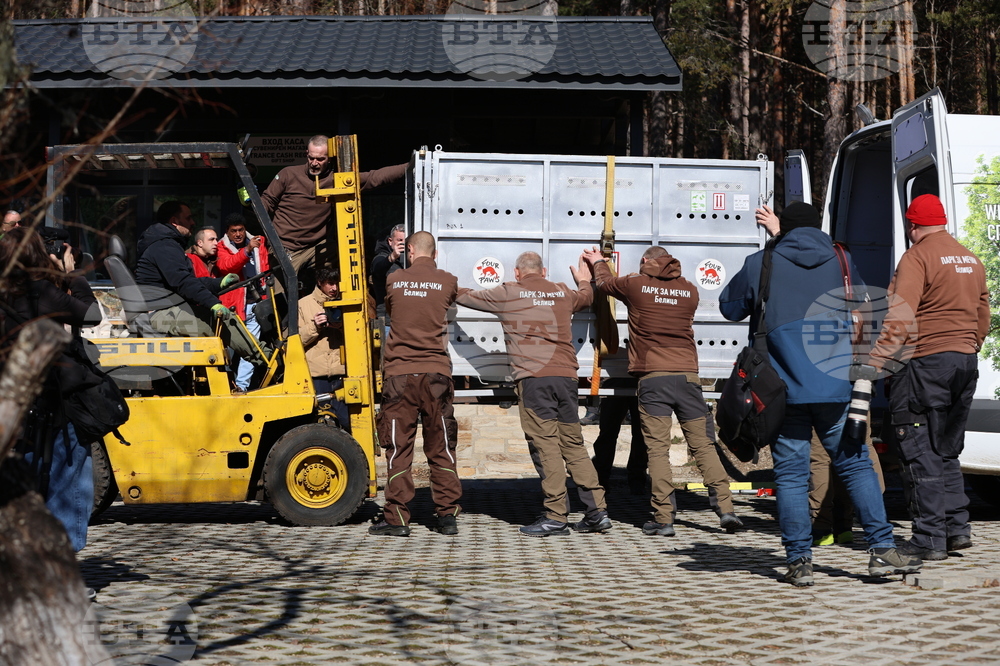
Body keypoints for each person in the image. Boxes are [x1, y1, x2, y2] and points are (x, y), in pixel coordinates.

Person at [720, 201, 921, 586]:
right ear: (818, 228)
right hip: (835, 384)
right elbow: (860, 305)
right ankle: (882, 549)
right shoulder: (842, 259)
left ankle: (799, 561)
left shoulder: (762, 261)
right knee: (856, 465)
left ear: (783, 228)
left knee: (792, 476)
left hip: (781, 391)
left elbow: (730, 307)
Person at [857, 194, 989, 560]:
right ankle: (956, 529)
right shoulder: (970, 258)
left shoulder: (916, 257)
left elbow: (900, 316)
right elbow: (983, 314)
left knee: (919, 448)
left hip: (926, 363)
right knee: (947, 448)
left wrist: (875, 363)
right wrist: (969, 345)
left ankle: (929, 539)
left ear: (912, 225)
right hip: (964, 362)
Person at [583, 246, 742, 534]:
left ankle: (663, 518)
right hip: (688, 378)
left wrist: (597, 262)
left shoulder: (635, 285)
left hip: (654, 379)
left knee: (657, 450)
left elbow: (605, 284)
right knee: (704, 446)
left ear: (645, 261)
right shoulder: (689, 290)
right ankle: (726, 510)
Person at [457, 251, 610, 537]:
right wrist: (583, 280)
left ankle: (556, 516)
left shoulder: (508, 292)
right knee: (573, 445)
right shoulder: (562, 292)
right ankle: (597, 512)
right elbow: (587, 297)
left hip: (534, 379)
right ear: (544, 271)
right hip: (566, 377)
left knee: (545, 447)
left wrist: (433, 281)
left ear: (517, 273)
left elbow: (465, 296)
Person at [0, 228, 102, 555]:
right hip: (49, 404)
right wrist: (72, 274)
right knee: (67, 476)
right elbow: (91, 314)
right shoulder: (40, 292)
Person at [369, 231, 461, 537]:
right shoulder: (448, 281)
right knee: (441, 447)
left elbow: (391, 309)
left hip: (400, 376)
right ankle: (447, 516)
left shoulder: (394, 280)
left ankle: (397, 519)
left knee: (398, 449)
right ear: (435, 253)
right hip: (436, 376)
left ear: (409, 250)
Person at [261, 135, 406, 292]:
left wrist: (410, 166)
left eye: (320, 159)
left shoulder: (337, 180)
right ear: (307, 154)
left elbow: (374, 178)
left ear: (329, 159)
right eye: (311, 158)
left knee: (347, 258)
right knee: (279, 299)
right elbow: (266, 201)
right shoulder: (288, 174)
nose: (314, 163)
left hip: (316, 247)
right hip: (286, 247)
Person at [135, 201, 257, 365]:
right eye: (188, 218)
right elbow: (183, 282)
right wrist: (213, 303)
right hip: (159, 312)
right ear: (174, 221)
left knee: (218, 320)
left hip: (165, 308)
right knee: (220, 322)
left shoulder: (167, 244)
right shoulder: (164, 246)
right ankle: (267, 360)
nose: (193, 222)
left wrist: (218, 283)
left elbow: (187, 281)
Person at [217, 213, 270, 391]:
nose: (238, 234)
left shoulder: (259, 242)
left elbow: (266, 266)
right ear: (227, 232)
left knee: (252, 346)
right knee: (228, 348)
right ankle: (224, 385)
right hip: (233, 307)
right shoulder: (221, 247)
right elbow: (226, 266)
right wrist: (247, 250)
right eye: (234, 231)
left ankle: (241, 387)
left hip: (256, 304)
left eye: (240, 230)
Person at [298, 266, 350, 431]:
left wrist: (341, 327)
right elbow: (295, 341)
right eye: (330, 283)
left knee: (347, 421)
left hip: (342, 371)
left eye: (337, 283)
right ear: (320, 283)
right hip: (317, 375)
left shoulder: (347, 301)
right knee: (322, 422)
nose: (334, 288)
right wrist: (315, 326)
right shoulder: (303, 304)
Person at [590, 383, 647, 495]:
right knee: (608, 433)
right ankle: (601, 479)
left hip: (639, 384)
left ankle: (637, 480)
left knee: (641, 434)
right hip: (615, 383)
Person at [369, 223, 406, 321]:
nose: (403, 244)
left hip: (408, 318)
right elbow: (377, 269)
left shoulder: (412, 258)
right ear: (390, 241)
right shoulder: (381, 257)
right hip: (388, 319)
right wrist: (392, 257)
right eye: (399, 240)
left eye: (406, 241)